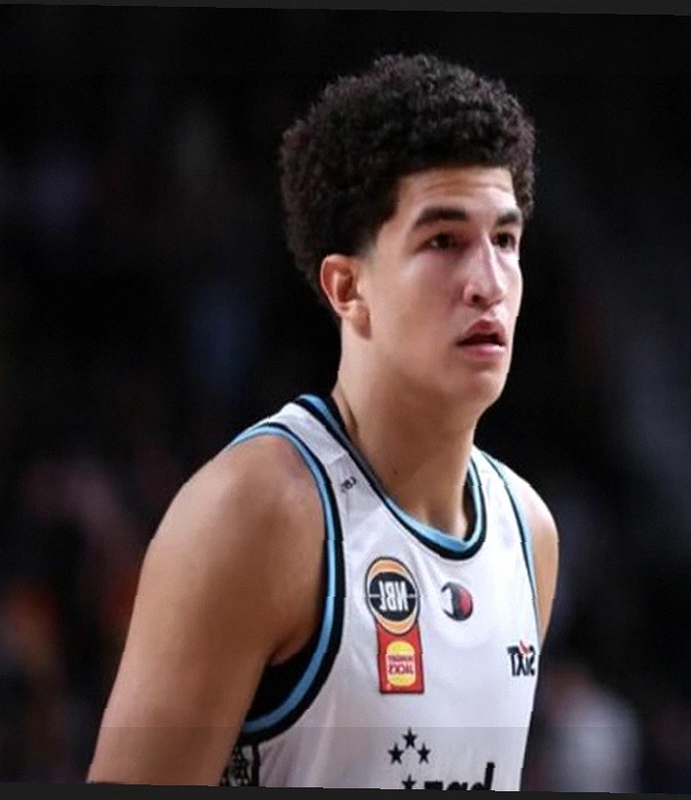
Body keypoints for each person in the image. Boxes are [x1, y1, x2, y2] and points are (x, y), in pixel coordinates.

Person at [87, 53, 559, 789]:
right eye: (443, 241)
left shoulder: (528, 533)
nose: (489, 283)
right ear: (347, 288)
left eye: (504, 240)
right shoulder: (255, 513)